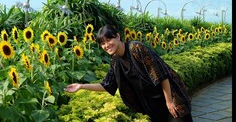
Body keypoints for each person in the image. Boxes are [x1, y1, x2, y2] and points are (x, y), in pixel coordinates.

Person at [65, 24, 193, 122]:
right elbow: (107, 85)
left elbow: (161, 75)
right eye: (102, 43)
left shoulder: (136, 48)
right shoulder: (115, 61)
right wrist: (81, 86)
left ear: (118, 36)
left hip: (171, 97)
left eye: (108, 40)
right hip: (153, 106)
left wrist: (169, 102)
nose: (106, 45)